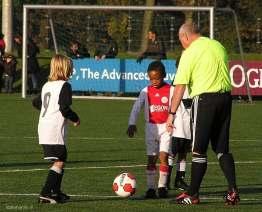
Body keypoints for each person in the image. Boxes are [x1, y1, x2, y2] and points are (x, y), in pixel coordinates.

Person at [166, 22, 239, 205]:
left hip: (205, 101)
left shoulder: (189, 53)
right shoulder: (217, 45)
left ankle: (192, 194)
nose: (182, 44)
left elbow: (180, 87)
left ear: (186, 37)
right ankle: (233, 190)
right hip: (225, 99)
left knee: (198, 150)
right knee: (222, 149)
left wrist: (171, 113)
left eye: (180, 40)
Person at [32, 54, 80, 204]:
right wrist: (75, 118)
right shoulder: (65, 86)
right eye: (70, 68)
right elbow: (64, 108)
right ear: (65, 69)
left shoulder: (47, 85)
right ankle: (46, 193)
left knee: (60, 159)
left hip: (44, 127)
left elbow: (35, 102)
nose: (71, 71)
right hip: (53, 129)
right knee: (59, 161)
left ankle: (55, 192)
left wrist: (48, 110)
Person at [127, 60, 173, 198]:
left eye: (157, 78)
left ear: (164, 75)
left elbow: (177, 108)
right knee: (151, 158)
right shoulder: (145, 91)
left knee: (163, 156)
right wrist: (132, 123)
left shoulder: (171, 90)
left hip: (166, 127)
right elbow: (136, 107)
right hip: (150, 127)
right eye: (151, 78)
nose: (154, 81)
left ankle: (162, 187)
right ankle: (151, 189)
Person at [166, 57, 192, 191]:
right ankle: (166, 180)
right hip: (178, 125)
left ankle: (179, 180)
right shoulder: (178, 83)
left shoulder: (189, 81)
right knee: (172, 153)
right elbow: (185, 102)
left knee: (183, 153)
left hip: (188, 125)